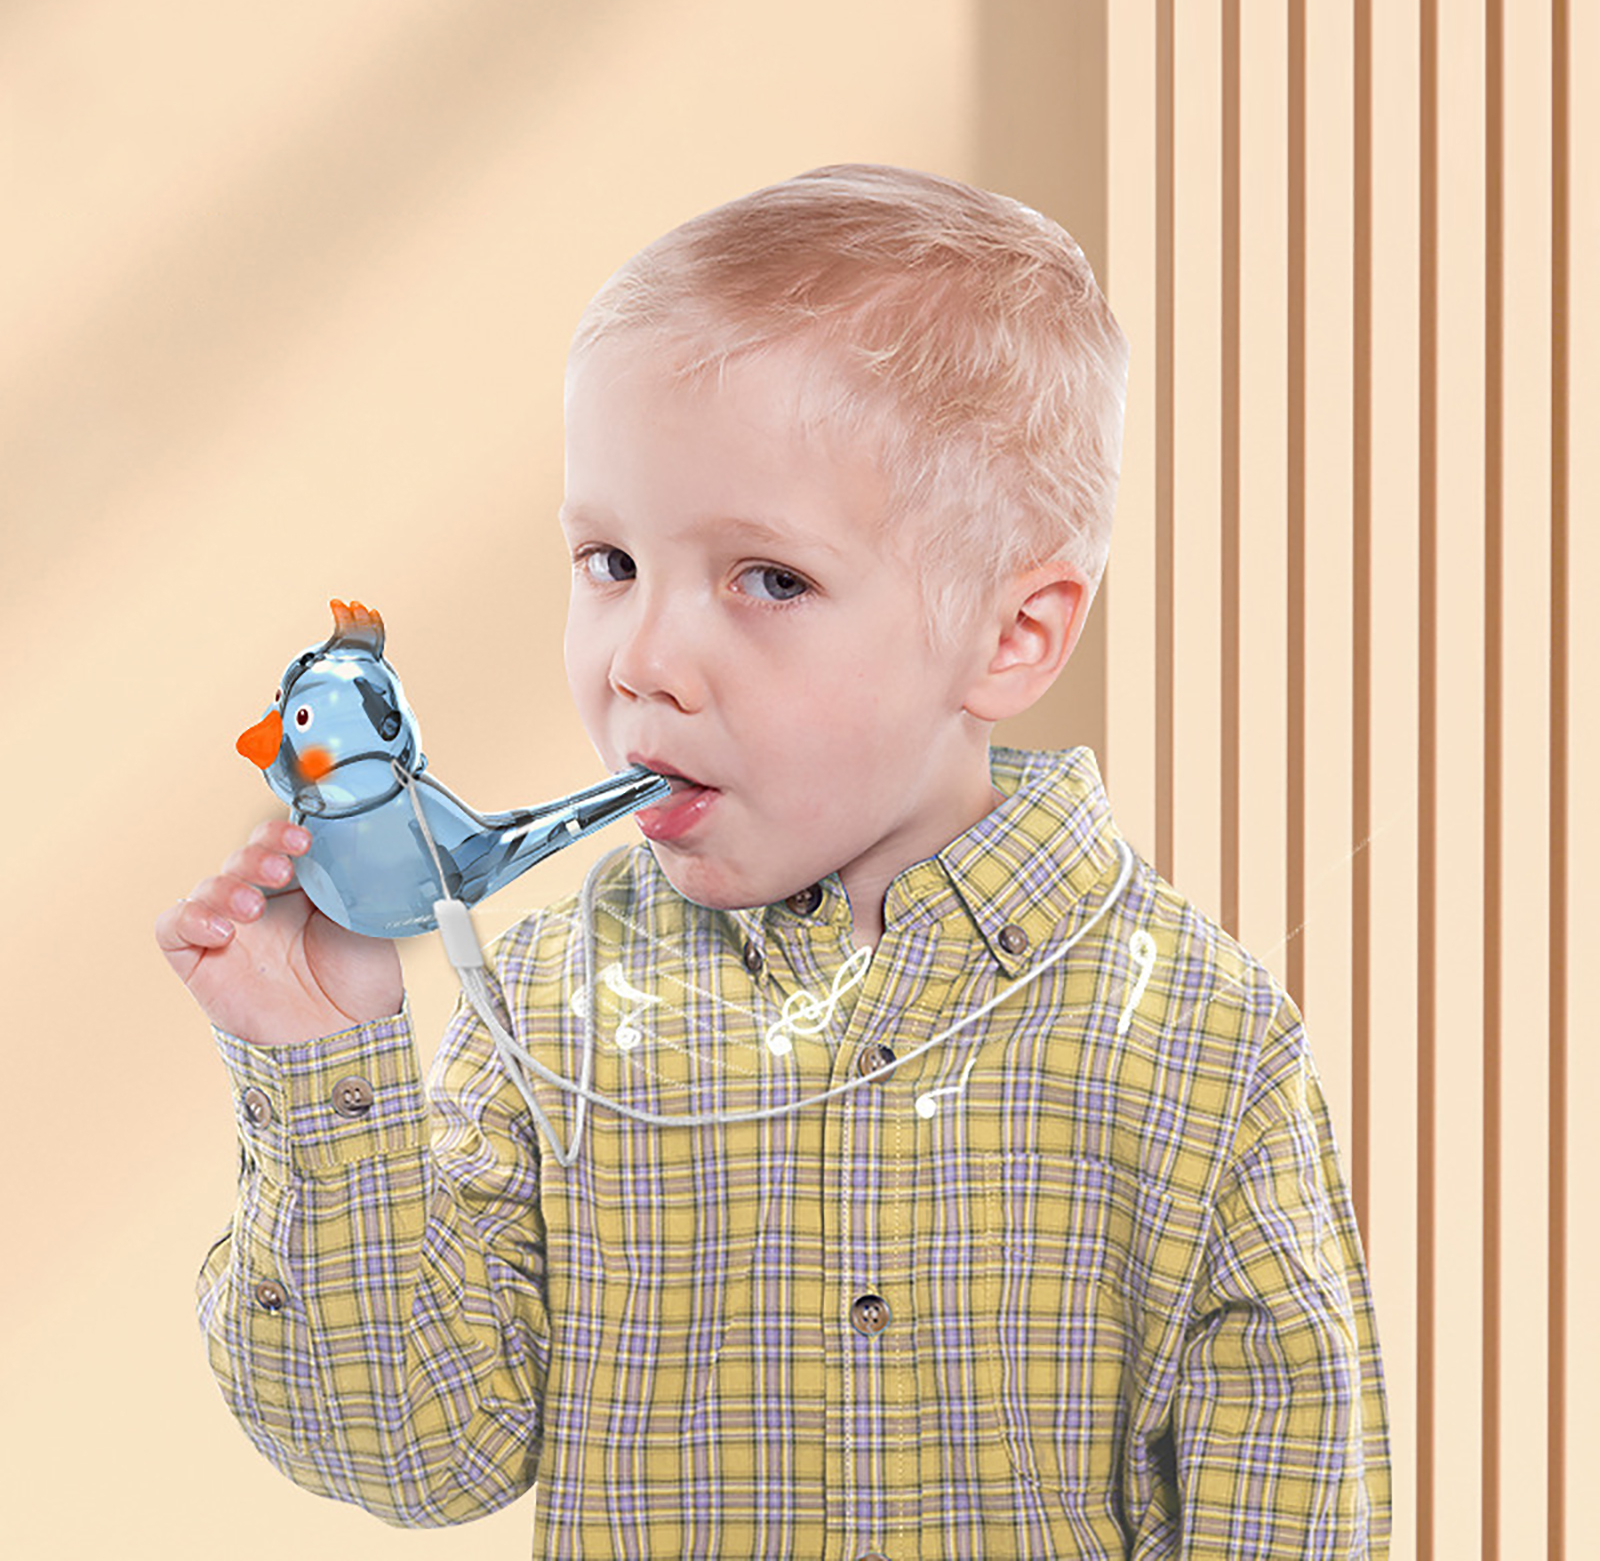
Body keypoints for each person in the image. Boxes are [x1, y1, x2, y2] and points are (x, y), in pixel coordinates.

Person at [156, 164, 1390, 1558]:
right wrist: (324, 1072)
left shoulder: (1199, 1046)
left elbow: (1295, 1511)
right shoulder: (555, 1006)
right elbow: (417, 1456)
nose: (642, 661)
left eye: (771, 579)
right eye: (609, 562)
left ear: (1013, 636)